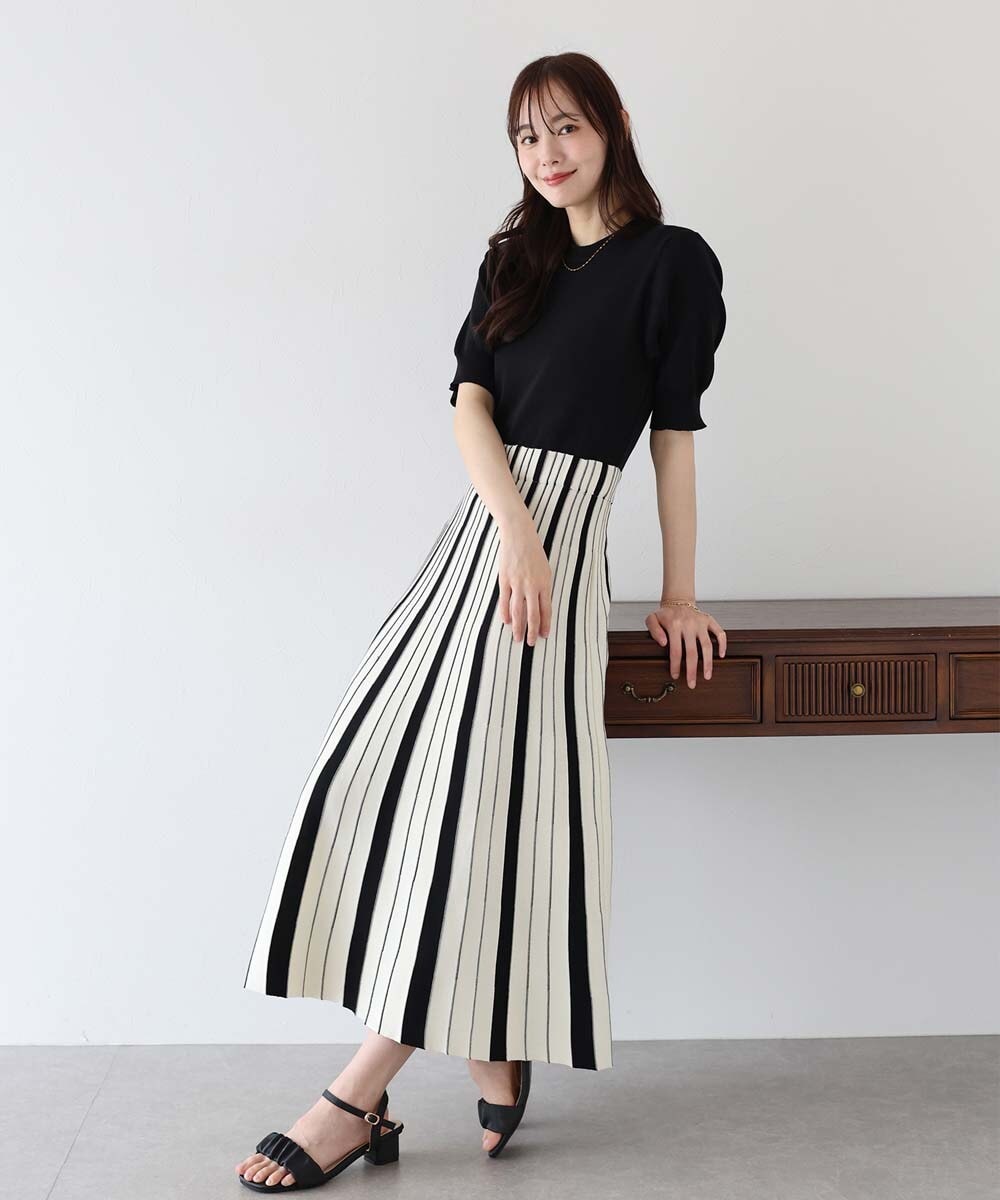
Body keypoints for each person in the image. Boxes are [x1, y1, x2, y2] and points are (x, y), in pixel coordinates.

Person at [236, 50, 728, 1192]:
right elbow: (470, 404)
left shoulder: (673, 263)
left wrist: (679, 592)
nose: (546, 154)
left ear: (612, 125)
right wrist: (513, 527)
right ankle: (486, 1035)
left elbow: (674, 437)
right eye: (525, 136)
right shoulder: (514, 258)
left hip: (556, 568)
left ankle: (355, 1096)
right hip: (485, 549)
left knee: (482, 817)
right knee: (381, 782)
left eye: (565, 127)